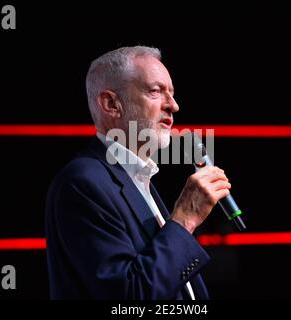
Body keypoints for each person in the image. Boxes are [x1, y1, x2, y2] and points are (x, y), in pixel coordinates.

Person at [45, 46, 232, 299]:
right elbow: (130, 297)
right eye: (155, 91)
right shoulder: (82, 183)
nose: (173, 106)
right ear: (111, 104)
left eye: (172, 94)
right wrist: (185, 218)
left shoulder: (138, 179)